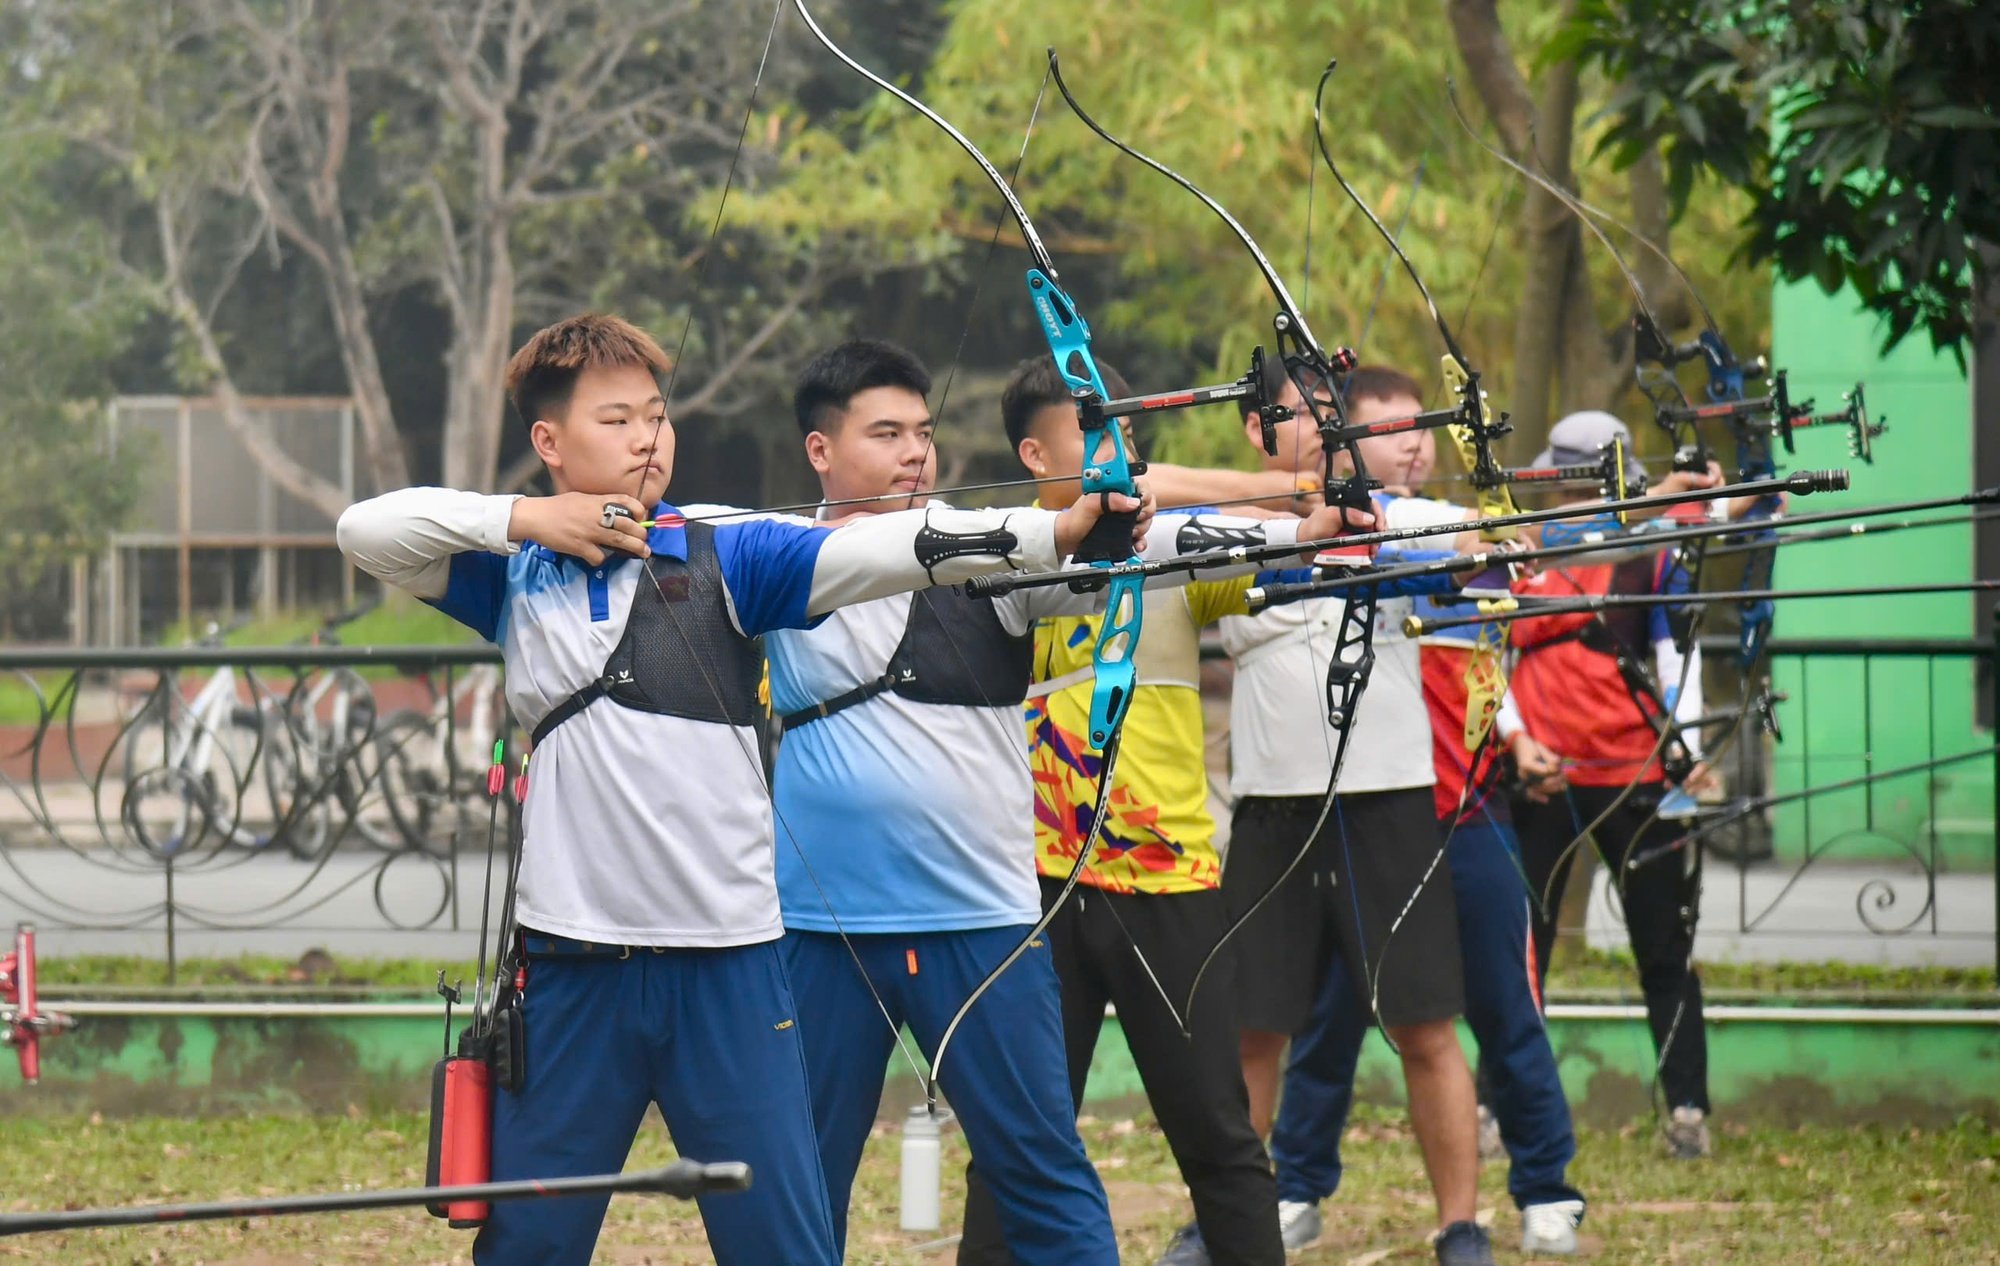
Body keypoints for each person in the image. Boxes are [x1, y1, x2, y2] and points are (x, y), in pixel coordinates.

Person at [335, 314, 1149, 1266]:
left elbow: (891, 548)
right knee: (528, 1244)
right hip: (570, 969)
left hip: (728, 968)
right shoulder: (513, 573)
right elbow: (365, 530)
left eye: (655, 415)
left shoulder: (728, 551)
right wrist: (527, 519)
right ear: (549, 443)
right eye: (615, 419)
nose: (647, 437)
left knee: (783, 1245)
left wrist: (1059, 529)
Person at [762, 340, 1369, 1266]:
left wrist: (1302, 532)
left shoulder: (994, 557)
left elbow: (1147, 547)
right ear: (819, 451)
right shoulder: (774, 560)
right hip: (825, 927)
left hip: (985, 923)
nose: (914, 454)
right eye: (886, 434)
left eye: (922, 433)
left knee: (1038, 1164)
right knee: (803, 1171)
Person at [957, 356, 1313, 1266]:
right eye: (1092, 434)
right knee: (1016, 1141)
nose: (1119, 453)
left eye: (1125, 433)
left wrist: (1318, 504)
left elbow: (1286, 546)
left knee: (1220, 1140)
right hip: (1032, 888)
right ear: (1035, 453)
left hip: (1167, 884)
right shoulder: (992, 555)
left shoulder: (1173, 544)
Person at [1260, 415, 1592, 1257]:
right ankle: (1294, 1187)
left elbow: (1488, 653)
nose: (1413, 447)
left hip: (1469, 817)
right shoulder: (1322, 532)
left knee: (1500, 1006)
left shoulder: (1441, 529)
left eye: (1422, 431)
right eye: (1389, 432)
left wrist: (1658, 506)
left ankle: (1546, 1187)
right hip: (1366, 821)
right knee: (1328, 1018)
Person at [1219, 363, 1500, 1266]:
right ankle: (1230, 1222)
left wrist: (1456, 550)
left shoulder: (1394, 515)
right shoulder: (1221, 529)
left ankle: (1461, 1224)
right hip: (1272, 809)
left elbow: (1478, 543)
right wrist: (1304, 531)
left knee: (1424, 1023)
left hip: (1386, 799)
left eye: (1330, 416)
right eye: (1296, 415)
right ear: (1258, 433)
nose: (1317, 428)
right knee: (1254, 1028)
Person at [1504, 409, 1721, 1161]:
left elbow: (1673, 654)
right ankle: (1503, 1111)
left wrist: (1683, 748)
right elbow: (1487, 653)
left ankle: (1687, 1108)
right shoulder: (1523, 551)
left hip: (1634, 770)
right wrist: (1514, 737)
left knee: (1663, 945)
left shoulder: (1653, 552)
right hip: (1542, 774)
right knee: (1521, 951)